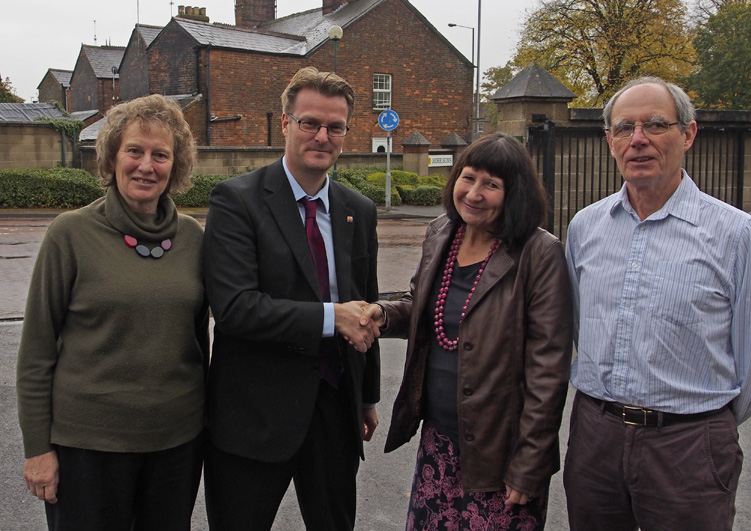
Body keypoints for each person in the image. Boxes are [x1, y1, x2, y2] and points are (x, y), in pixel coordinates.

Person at [563, 77, 751, 530]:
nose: (638, 139)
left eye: (655, 125)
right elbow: (575, 328)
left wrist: (704, 425)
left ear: (688, 134)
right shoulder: (585, 228)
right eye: (624, 128)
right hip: (595, 439)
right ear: (610, 141)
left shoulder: (739, 236)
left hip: (688, 447)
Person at [361, 132, 573, 530]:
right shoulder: (443, 231)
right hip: (439, 442)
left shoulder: (539, 253)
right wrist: (382, 314)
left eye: (491, 185)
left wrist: (529, 464)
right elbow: (424, 306)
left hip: (500, 452)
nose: (474, 193)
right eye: (468, 177)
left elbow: (549, 370)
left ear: (515, 194)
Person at [16, 94, 208, 530]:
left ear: (175, 165)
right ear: (111, 156)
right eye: (134, 151)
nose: (146, 165)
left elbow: (199, 342)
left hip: (175, 446)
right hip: (87, 448)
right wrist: (37, 450)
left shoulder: (193, 238)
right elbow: (35, 354)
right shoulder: (70, 234)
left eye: (160, 155)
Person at [202, 66, 381, 530]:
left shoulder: (358, 210)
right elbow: (236, 308)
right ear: (285, 123)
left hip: (334, 409)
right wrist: (331, 318)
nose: (322, 136)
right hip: (255, 416)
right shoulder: (236, 201)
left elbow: (366, 304)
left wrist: (366, 397)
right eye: (310, 123)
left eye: (335, 127)